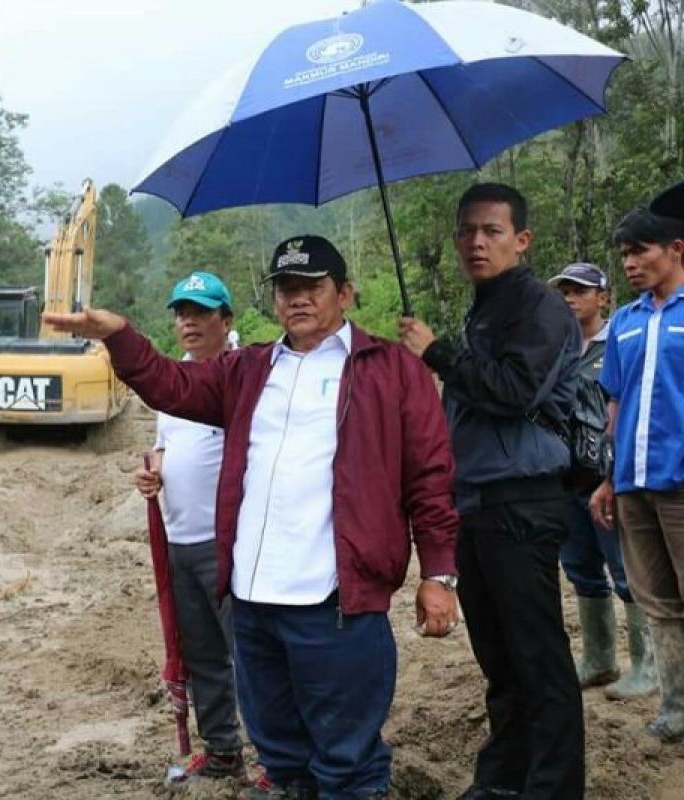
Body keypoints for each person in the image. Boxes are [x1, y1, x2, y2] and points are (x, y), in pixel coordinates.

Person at [48, 234, 459, 800]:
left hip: (336, 602)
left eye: (311, 286)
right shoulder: (247, 369)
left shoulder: (390, 370)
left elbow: (430, 478)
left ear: (345, 292)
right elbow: (171, 384)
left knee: (348, 762)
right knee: (283, 758)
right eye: (285, 288)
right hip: (253, 603)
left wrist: (439, 575)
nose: (297, 299)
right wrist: (119, 336)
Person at [398, 183, 585, 800]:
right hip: (476, 502)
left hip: (522, 503)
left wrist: (438, 353)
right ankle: (504, 780)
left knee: (538, 658)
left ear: (521, 240)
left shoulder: (539, 307)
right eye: (467, 231)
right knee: (500, 660)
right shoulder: (486, 306)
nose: (477, 242)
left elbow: (515, 391)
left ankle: (554, 788)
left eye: (493, 231)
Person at [133, 271, 243, 787]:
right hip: (180, 540)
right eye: (181, 313)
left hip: (228, 543)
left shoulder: (243, 374)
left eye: (200, 312)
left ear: (227, 319)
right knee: (202, 657)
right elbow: (164, 445)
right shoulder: (175, 380)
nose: (188, 322)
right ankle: (222, 750)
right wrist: (153, 471)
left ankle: (274, 756)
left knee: (251, 654)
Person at [590, 184, 684, 741]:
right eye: (624, 254)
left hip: (680, 481)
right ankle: (674, 706)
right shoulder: (623, 321)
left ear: (676, 249)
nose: (629, 263)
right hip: (634, 484)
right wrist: (607, 478)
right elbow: (615, 407)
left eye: (641, 251)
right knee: (658, 601)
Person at [549, 262, 657, 700]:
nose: (570, 298)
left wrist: (613, 474)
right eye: (564, 292)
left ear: (602, 297)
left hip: (607, 477)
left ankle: (647, 667)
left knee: (626, 570)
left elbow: (623, 410)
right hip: (565, 477)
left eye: (579, 291)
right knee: (580, 569)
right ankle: (599, 659)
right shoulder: (556, 348)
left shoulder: (622, 340)